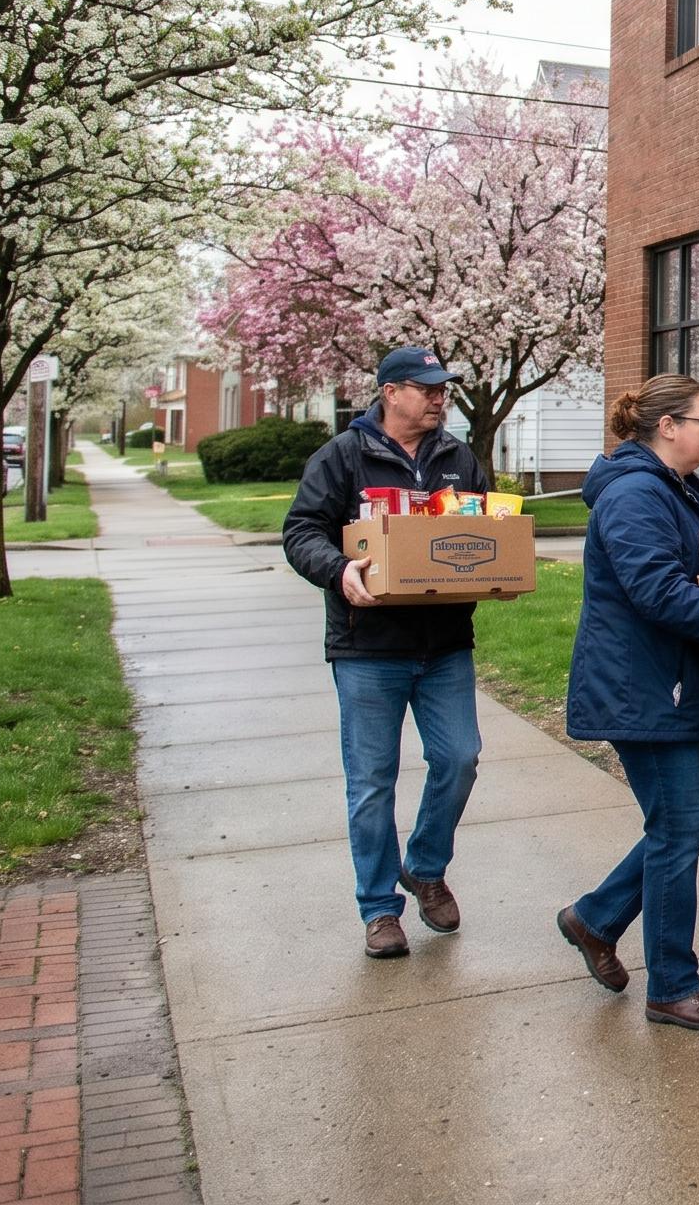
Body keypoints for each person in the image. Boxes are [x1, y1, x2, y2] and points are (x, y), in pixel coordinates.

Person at [556, 374, 699, 1030]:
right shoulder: (635, 495)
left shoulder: (683, 491)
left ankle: (596, 918)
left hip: (681, 682)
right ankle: (672, 985)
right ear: (667, 427)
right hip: (645, 687)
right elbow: (657, 590)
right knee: (677, 831)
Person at [283, 346, 489, 959]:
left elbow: (485, 531)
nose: (438, 397)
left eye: (442, 388)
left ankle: (424, 865)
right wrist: (339, 569)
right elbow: (300, 532)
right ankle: (379, 909)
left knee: (460, 758)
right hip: (368, 649)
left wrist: (493, 572)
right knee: (372, 782)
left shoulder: (459, 459)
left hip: (445, 644)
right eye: (426, 388)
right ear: (390, 391)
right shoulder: (343, 458)